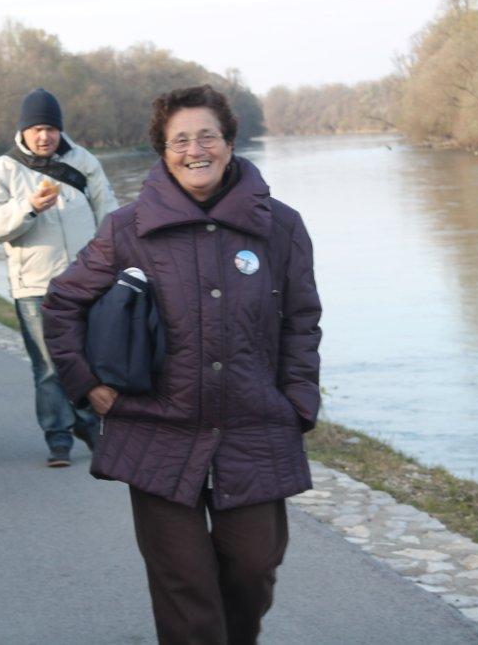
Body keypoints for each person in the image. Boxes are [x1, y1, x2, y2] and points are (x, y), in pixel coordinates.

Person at [42, 84, 322, 644]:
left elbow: (302, 320)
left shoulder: (280, 227)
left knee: (253, 570)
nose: (196, 150)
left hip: (254, 427)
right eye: (180, 140)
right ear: (163, 151)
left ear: (229, 142)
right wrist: (89, 386)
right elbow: (62, 303)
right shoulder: (127, 228)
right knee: (185, 590)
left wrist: (296, 402)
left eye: (207, 136)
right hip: (157, 431)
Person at [0, 87, 119, 467]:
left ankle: (90, 426)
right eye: (37, 128)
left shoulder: (83, 160)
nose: (44, 136)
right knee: (50, 365)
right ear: (23, 131)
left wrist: (115, 262)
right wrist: (28, 207)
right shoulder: (3, 170)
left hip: (88, 281)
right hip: (35, 286)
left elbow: (109, 212)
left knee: (91, 358)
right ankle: (57, 437)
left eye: (51, 128)